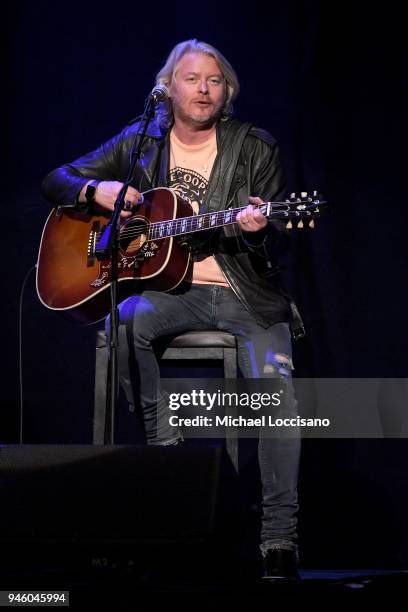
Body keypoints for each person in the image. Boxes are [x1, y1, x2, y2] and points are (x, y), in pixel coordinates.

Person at [42, 39, 304, 581]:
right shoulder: (143, 143)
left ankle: (279, 538)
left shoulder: (255, 146)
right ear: (168, 88)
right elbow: (57, 180)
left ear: (226, 90)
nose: (204, 88)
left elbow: (281, 242)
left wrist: (260, 230)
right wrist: (101, 189)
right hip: (173, 293)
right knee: (125, 321)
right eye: (191, 78)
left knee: (278, 395)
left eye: (214, 79)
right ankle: (170, 455)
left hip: (244, 293)